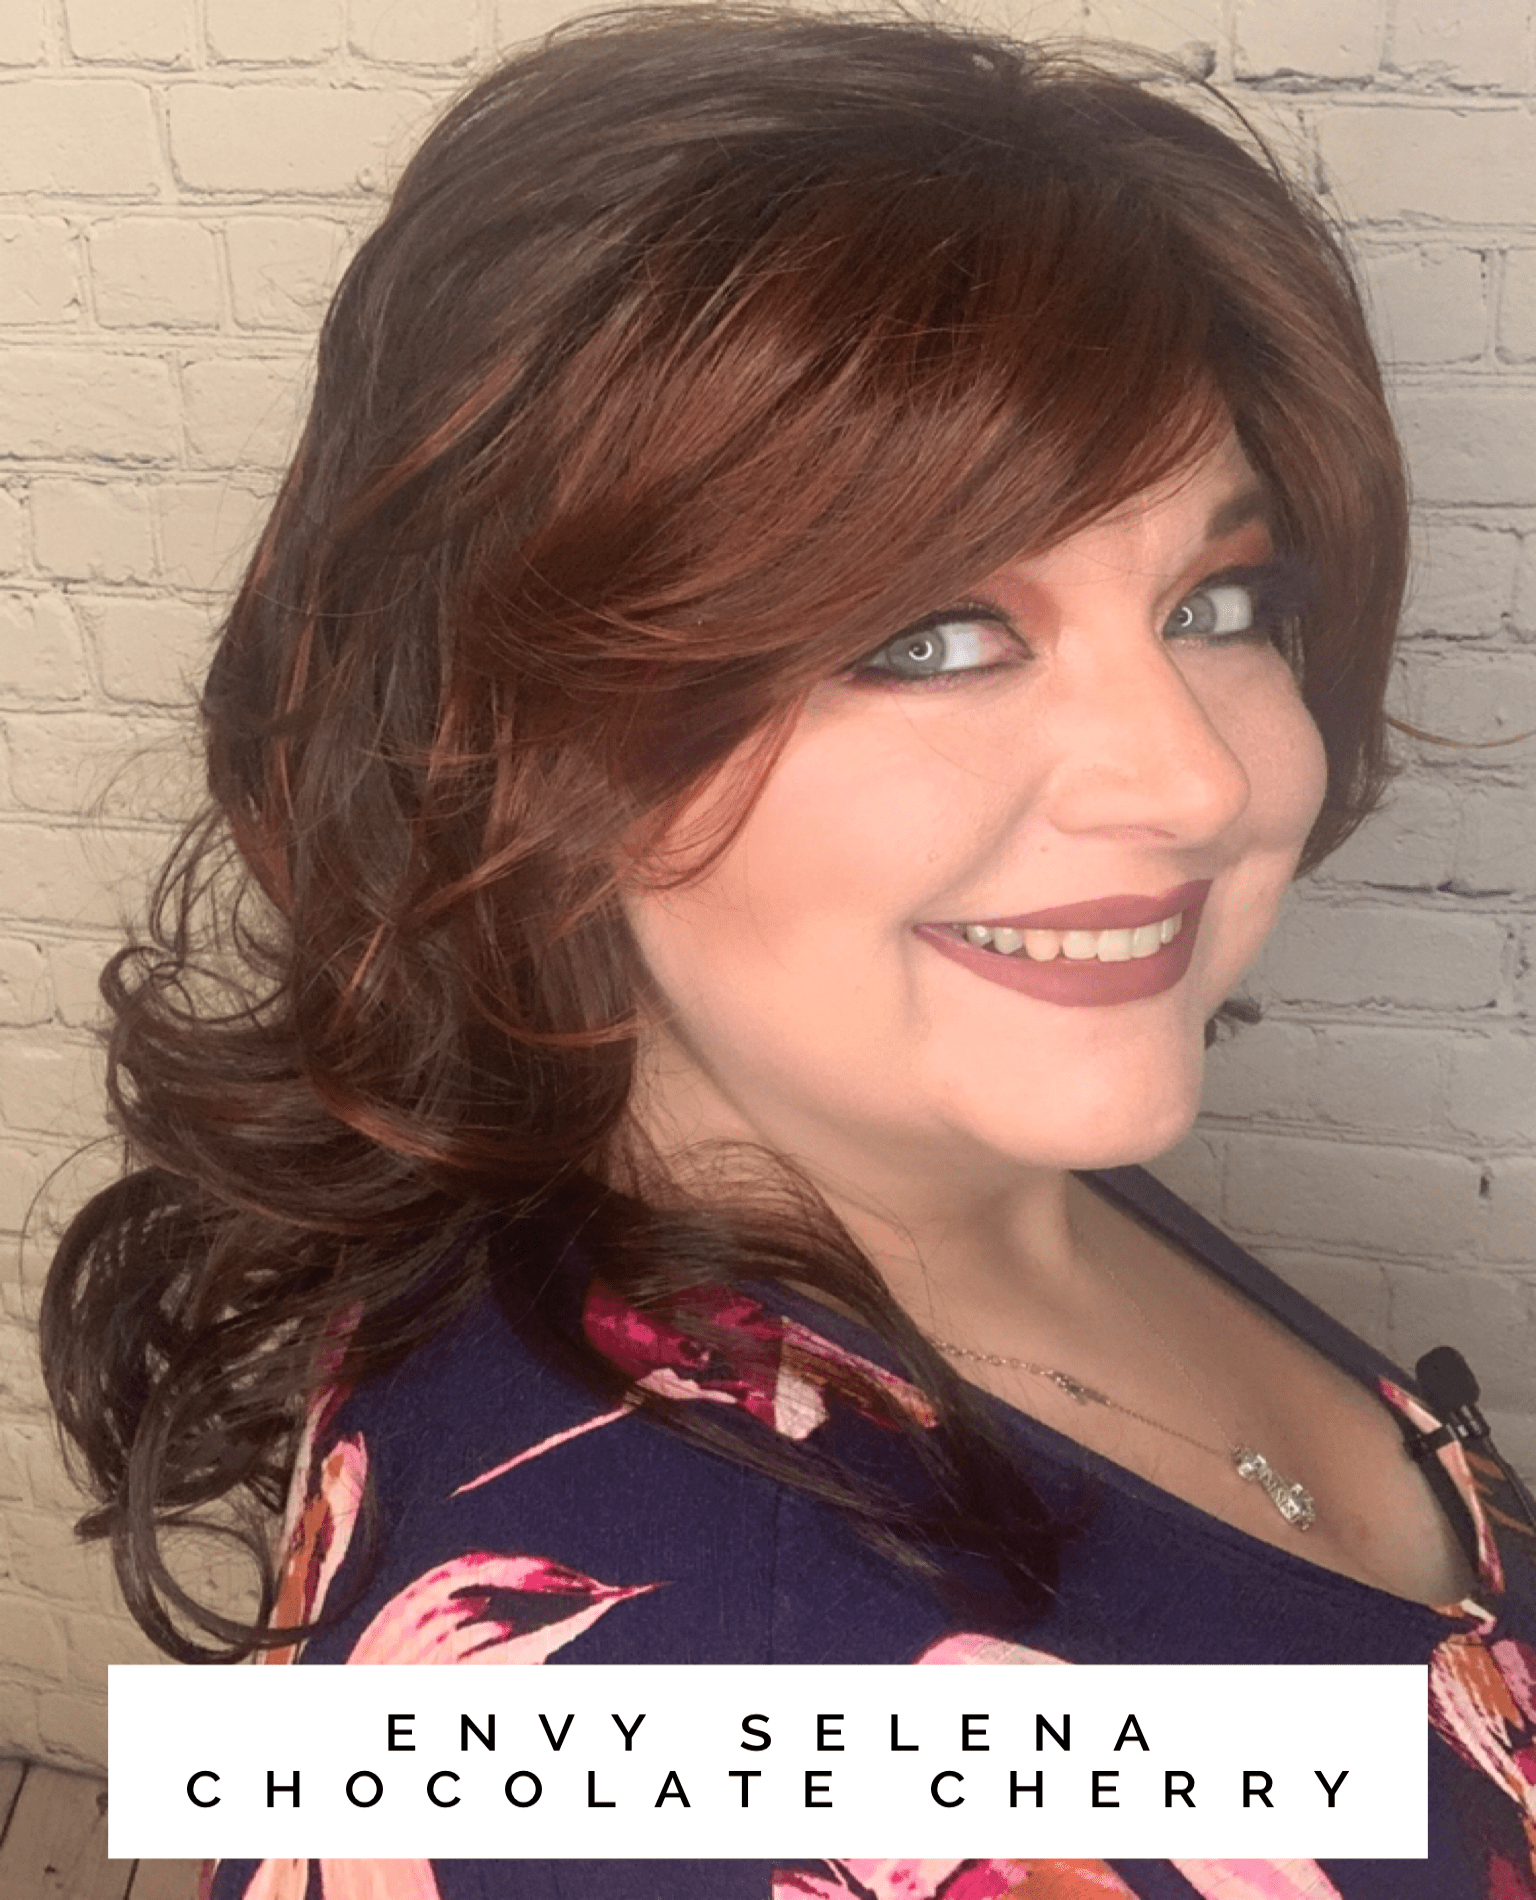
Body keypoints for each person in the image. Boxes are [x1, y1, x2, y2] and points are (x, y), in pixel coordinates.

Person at [39, 7, 1536, 1898]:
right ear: (516, 733)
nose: (1195, 779)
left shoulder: (924, 1151)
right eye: (927, 636)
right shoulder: (723, 1753)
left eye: (1220, 602)